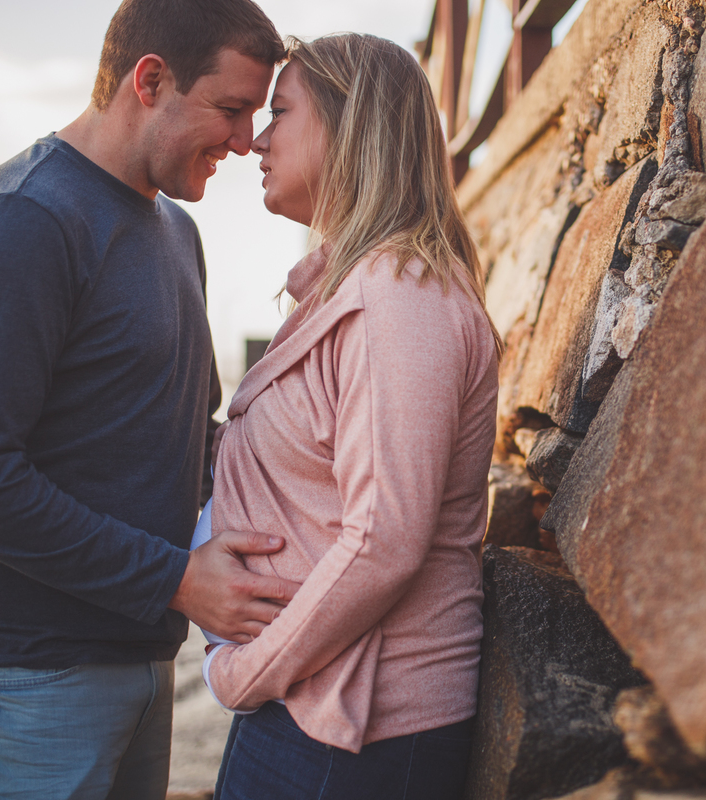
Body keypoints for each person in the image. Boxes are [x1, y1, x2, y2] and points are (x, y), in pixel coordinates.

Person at [0, 1, 303, 798]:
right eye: (230, 108)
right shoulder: (21, 220)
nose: (246, 138)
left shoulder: (174, 232)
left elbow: (192, 442)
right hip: (14, 685)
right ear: (148, 80)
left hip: (137, 660)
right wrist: (176, 581)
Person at [197, 33, 502, 800]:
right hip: (312, 703)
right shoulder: (352, 289)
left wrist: (240, 674)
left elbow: (385, 541)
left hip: (354, 730)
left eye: (281, 113)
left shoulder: (403, 298)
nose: (258, 140)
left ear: (349, 126)